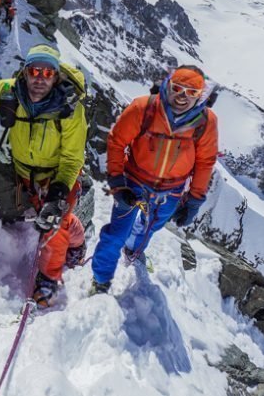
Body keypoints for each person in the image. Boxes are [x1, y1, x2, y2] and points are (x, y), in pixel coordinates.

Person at [0, 45, 88, 306]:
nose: (39, 78)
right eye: (34, 70)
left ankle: (49, 279)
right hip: (25, 174)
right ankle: (74, 239)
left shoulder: (70, 109)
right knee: (46, 217)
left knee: (56, 222)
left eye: (47, 73)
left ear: (56, 77)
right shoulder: (8, 91)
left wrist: (57, 195)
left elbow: (72, 159)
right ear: (24, 72)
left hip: (60, 175)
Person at [89, 65, 219, 295]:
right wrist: (118, 183)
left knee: (151, 227)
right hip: (134, 181)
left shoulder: (206, 122)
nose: (182, 97)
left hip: (171, 190)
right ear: (168, 85)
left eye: (191, 92)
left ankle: (133, 250)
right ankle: (101, 281)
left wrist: (194, 199)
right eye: (178, 89)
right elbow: (117, 142)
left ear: (201, 96)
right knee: (116, 233)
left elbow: (205, 162)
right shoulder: (144, 108)